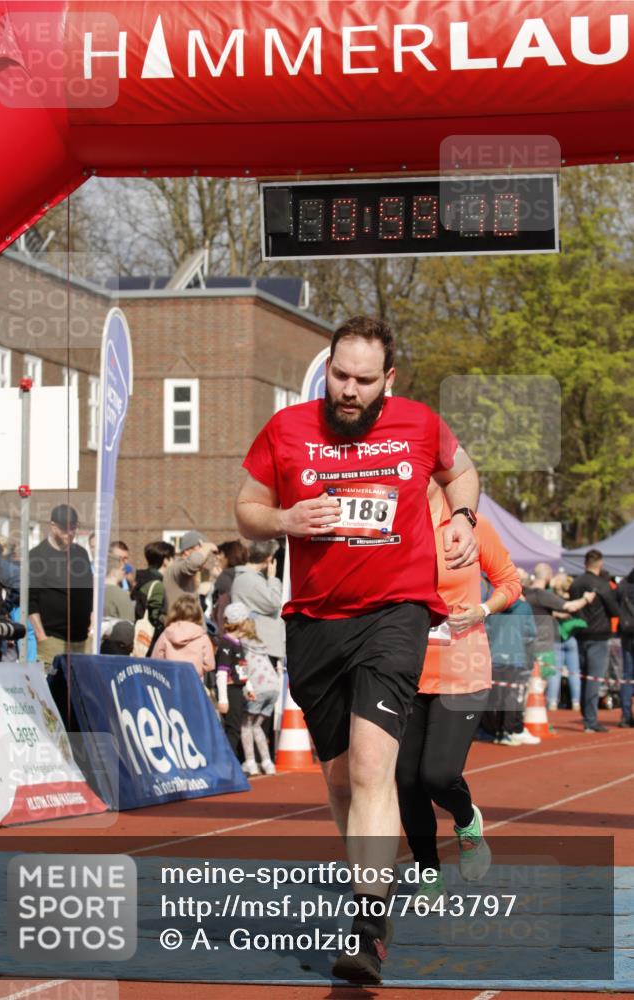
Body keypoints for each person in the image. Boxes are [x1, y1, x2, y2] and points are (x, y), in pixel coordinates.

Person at [235, 314, 479, 983]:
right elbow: (246, 509)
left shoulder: (419, 424)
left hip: (395, 613)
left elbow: (462, 474)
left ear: (386, 381)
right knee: (342, 782)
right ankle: (371, 886)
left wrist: (461, 519)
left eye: (363, 380)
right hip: (314, 622)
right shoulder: (286, 430)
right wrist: (283, 519)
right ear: (328, 370)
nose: (348, 390)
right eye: (339, 375)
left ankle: (367, 924)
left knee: (374, 770)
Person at [395, 480, 521, 901]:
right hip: (404, 670)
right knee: (406, 780)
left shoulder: (469, 526)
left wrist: (482, 610)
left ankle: (467, 822)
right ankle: (428, 871)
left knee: (438, 775)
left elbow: (509, 582)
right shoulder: (393, 524)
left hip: (462, 668)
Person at [524, 563, 595, 720]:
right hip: (543, 645)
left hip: (528, 644)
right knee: (540, 684)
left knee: (532, 683)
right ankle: (532, 720)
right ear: (548, 576)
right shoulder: (542, 594)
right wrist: (585, 599)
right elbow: (570, 607)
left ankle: (540, 712)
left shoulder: (525, 593)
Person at [28, 504, 93, 668]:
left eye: (74, 528)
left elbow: (89, 592)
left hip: (83, 640)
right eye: (65, 529)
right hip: (53, 640)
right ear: (53, 526)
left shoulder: (81, 553)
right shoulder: (37, 555)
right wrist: (41, 637)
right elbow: (31, 601)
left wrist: (92, 627)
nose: (70, 533)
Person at [569, 550, 621, 732]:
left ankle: (587, 717)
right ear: (600, 563)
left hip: (580, 633)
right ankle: (590, 720)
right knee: (593, 678)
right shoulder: (602, 584)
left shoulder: (576, 582)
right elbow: (614, 610)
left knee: (585, 676)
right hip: (598, 635)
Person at [482, 596, 537, 745]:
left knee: (494, 696)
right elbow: (530, 633)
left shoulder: (493, 604)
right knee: (511, 696)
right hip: (515, 656)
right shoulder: (524, 607)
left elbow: (487, 629)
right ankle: (508, 732)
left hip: (494, 655)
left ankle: (495, 731)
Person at [231, 539, 285, 665]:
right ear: (269, 559)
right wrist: (272, 579)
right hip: (261, 644)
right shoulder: (251, 580)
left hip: (257, 643)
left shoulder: (245, 577)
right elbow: (274, 602)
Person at [239, 622, 283, 776]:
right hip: (273, 687)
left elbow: (244, 667)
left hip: (259, 686)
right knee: (257, 726)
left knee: (246, 724)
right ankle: (267, 762)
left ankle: (250, 762)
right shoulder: (260, 645)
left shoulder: (242, 644)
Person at [214, 602, 256, 754]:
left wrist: (249, 687)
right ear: (240, 622)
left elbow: (241, 668)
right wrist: (223, 699)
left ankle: (231, 762)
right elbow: (222, 672)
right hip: (230, 690)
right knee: (232, 729)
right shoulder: (226, 643)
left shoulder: (238, 643)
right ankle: (229, 764)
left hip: (238, 690)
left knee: (235, 728)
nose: (249, 623)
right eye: (246, 619)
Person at [151, 593, 216, 682]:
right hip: (194, 682)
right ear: (197, 613)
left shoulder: (166, 634)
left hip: (170, 681)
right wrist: (197, 672)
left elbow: (155, 661)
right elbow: (209, 664)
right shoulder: (202, 637)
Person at [547, 572, 583, 711]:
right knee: (574, 672)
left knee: (555, 672)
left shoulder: (551, 597)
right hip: (571, 638)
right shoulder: (573, 598)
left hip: (556, 638)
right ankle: (576, 702)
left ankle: (553, 702)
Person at [164, 530, 218, 610]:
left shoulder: (189, 571)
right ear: (187, 551)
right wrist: (207, 547)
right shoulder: (178, 566)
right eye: (200, 550)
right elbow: (195, 562)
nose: (204, 556)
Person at [132, 540, 175, 629]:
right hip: (152, 637)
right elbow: (155, 617)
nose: (174, 562)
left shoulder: (141, 578)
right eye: (173, 559)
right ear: (166, 561)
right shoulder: (157, 584)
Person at [213, 540, 249, 630]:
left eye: (220, 554)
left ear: (227, 557)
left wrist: (219, 578)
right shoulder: (246, 574)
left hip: (228, 629)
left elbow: (222, 607)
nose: (217, 558)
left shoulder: (225, 576)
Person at [617, 565, 634, 727]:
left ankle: (626, 715)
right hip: (627, 632)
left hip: (627, 632)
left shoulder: (624, 583)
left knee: (628, 675)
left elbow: (616, 606)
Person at [103, 554, 135, 622]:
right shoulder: (120, 594)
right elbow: (129, 624)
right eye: (122, 569)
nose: (124, 572)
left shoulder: (93, 591)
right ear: (114, 572)